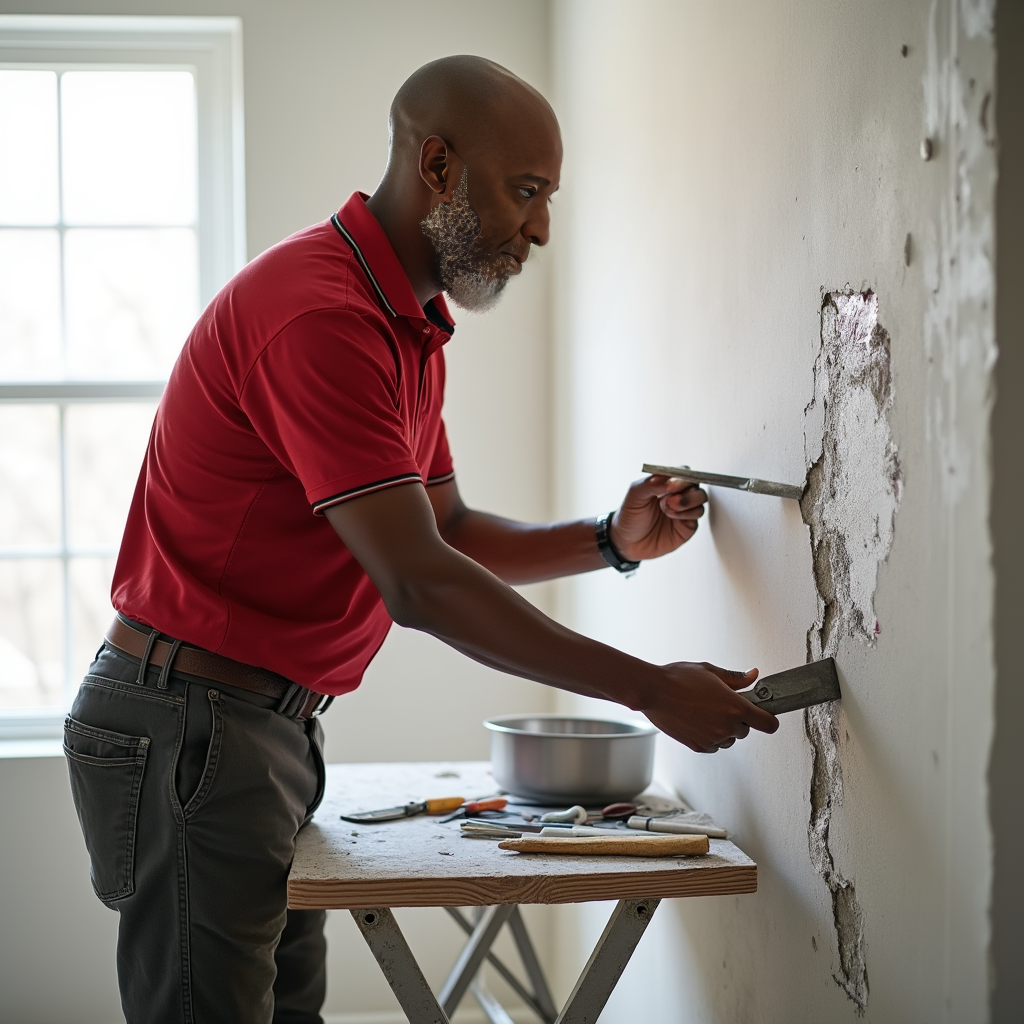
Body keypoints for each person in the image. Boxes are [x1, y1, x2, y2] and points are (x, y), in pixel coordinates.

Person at [62, 55, 778, 1024]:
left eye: (548, 196)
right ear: (436, 165)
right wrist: (648, 687)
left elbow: (444, 530)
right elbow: (419, 582)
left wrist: (611, 538)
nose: (541, 228)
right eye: (525, 190)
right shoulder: (321, 315)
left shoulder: (406, 321)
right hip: (194, 718)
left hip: (253, 722)